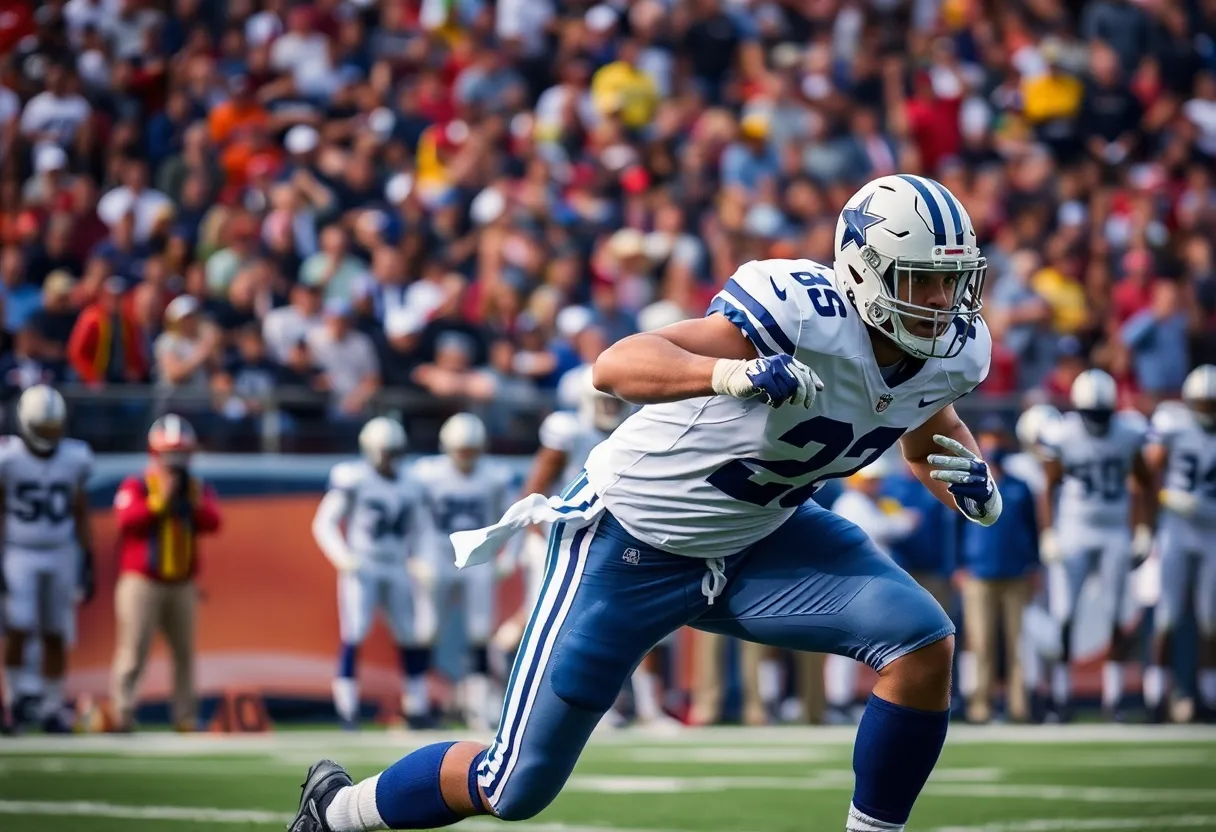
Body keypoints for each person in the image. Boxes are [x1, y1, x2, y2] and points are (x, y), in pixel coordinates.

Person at [289, 174, 996, 832]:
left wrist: (967, 478)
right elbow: (615, 364)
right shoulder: (800, 314)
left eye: (953, 281)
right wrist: (730, 374)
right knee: (513, 788)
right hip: (629, 541)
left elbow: (925, 426)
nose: (942, 302)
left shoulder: (952, 352)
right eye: (923, 280)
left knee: (921, 644)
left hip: (765, 535)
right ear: (864, 271)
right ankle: (338, 809)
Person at [1038, 369, 1155, 721]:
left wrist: (1144, 527)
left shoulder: (1127, 432)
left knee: (1117, 612)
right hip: (1074, 529)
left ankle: (1115, 698)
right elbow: (1048, 486)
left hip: (1114, 530)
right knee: (1065, 613)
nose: (1098, 422)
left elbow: (1145, 480)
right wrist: (1049, 531)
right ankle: (1061, 696)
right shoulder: (1064, 433)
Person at [312, 417, 433, 730]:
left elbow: (421, 528)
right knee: (354, 633)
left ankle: (416, 706)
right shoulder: (353, 477)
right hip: (363, 565)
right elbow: (323, 522)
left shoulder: (412, 481)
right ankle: (347, 708)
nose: (391, 457)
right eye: (385, 450)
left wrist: (419, 558)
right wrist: (342, 557)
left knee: (410, 634)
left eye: (395, 450)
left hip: (396, 565)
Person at [110, 414, 221, 732]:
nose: (175, 461)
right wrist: (160, 501)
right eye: (169, 453)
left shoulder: (195, 488)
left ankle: (185, 715)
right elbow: (127, 521)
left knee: (185, 654)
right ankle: (123, 712)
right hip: (141, 581)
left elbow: (213, 522)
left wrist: (190, 501)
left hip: (182, 583)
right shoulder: (138, 484)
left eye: (181, 454)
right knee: (133, 651)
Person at [0, 385, 94, 733]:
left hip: (60, 549)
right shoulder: (8, 458)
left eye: (53, 429)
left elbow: (80, 510)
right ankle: (13, 702)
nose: (49, 437)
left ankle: (53, 706)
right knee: (18, 627)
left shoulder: (75, 458)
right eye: (43, 429)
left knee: (56, 630)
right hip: (18, 549)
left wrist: (88, 558)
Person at [410, 413, 513, 730]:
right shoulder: (426, 474)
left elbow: (512, 518)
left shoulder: (494, 475)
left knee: (480, 633)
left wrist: (507, 557)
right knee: (425, 631)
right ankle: (416, 705)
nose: (465, 457)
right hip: (436, 555)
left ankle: (479, 709)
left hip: (477, 559)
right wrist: (412, 557)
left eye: (471, 450)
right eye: (460, 450)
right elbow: (410, 516)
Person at [955, 420, 1041, 724]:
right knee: (981, 642)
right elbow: (954, 525)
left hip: (1016, 572)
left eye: (997, 438)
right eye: (987, 438)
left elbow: (1033, 528)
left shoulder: (1020, 486)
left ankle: (1020, 707)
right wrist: (957, 565)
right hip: (978, 572)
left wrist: (1035, 565)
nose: (993, 445)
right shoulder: (969, 483)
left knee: (1017, 642)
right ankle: (981, 705)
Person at [1143, 365, 1216, 721]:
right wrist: (1163, 496)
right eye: (1201, 403)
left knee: (1210, 618)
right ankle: (1158, 696)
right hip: (1176, 526)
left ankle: (1207, 694)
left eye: (1211, 404)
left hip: (1212, 529)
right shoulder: (1173, 423)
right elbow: (1147, 469)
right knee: (1167, 615)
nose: (1206, 410)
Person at [828, 458, 921, 724]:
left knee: (870, 645)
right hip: (854, 584)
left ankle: (855, 699)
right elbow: (881, 529)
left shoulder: (870, 503)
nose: (876, 484)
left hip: (868, 584)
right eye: (871, 479)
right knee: (848, 645)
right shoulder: (851, 504)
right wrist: (905, 521)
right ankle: (840, 700)